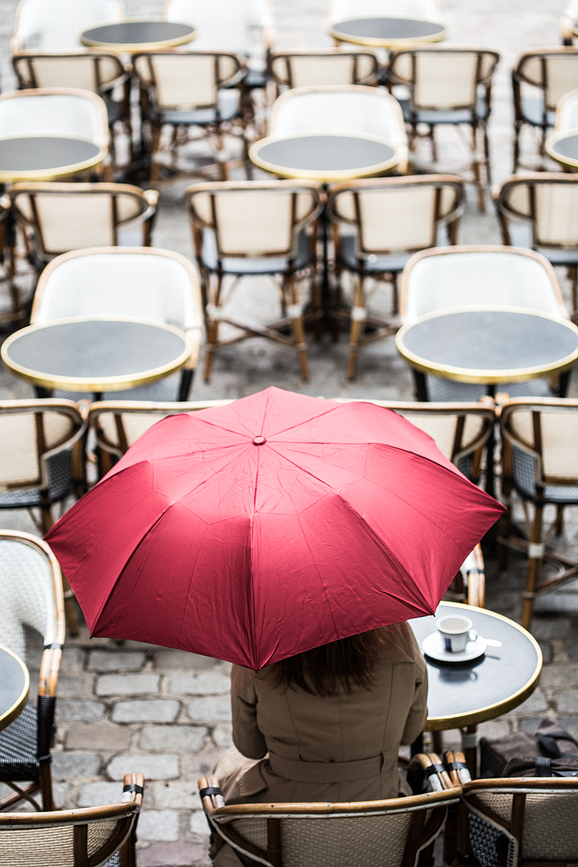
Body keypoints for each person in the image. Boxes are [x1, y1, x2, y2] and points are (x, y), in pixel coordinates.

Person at [210, 621, 428, 865]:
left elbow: (250, 748)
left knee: (225, 766)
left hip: (282, 820)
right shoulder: (398, 635)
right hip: (380, 811)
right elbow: (410, 734)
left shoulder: (258, 646)